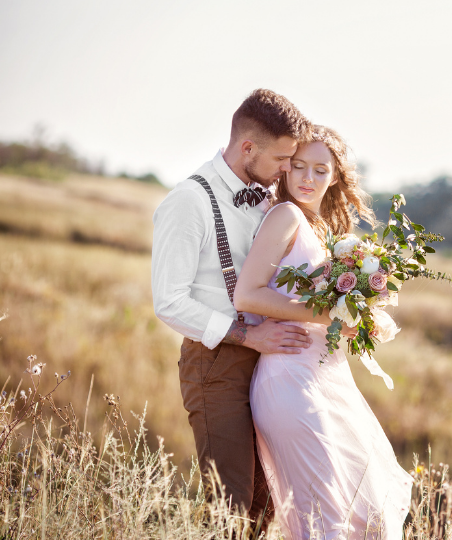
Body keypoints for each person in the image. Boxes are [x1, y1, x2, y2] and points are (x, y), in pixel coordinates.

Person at [233, 125, 413, 540]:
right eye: (297, 167)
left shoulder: (322, 230)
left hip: (326, 379)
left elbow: (325, 309)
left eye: (319, 169)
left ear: (335, 176)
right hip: (289, 381)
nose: (306, 178)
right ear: (284, 170)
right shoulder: (285, 215)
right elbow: (247, 295)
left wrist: (358, 319)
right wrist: (330, 317)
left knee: (365, 515)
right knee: (325, 522)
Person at [151, 89, 315, 527]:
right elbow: (169, 302)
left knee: (268, 504)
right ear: (248, 148)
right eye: (282, 158)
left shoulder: (266, 201)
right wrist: (247, 335)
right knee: (231, 506)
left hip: (270, 367)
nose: (287, 169)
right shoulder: (189, 200)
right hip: (216, 365)